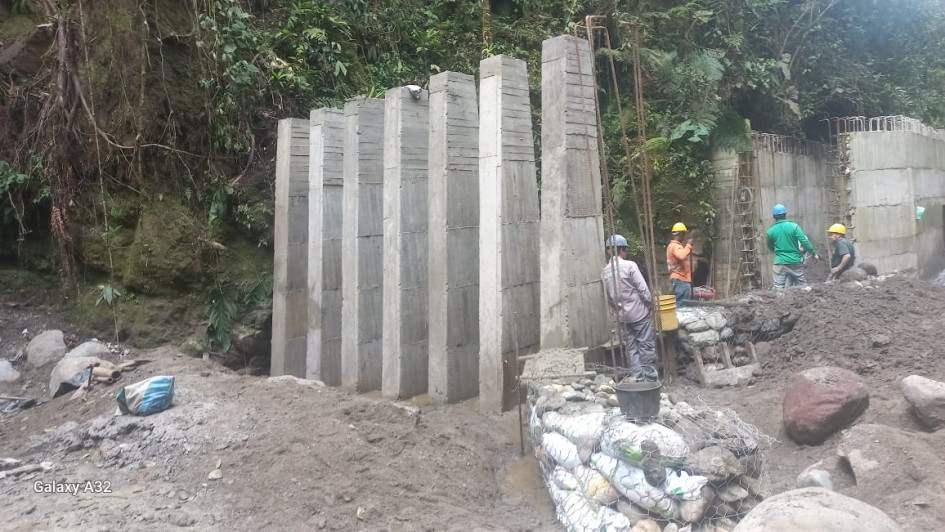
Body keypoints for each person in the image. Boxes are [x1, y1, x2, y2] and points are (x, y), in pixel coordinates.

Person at [601, 234, 657, 381]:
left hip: (623, 317)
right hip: (639, 314)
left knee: (631, 349)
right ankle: (650, 380)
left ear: (608, 251)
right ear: (622, 251)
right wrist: (650, 306)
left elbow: (609, 299)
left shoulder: (605, 272)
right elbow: (643, 290)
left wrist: (618, 311)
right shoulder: (630, 265)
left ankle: (638, 379)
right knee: (646, 346)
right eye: (625, 250)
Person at [766, 203, 819, 290]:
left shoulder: (770, 231)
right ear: (785, 215)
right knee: (803, 287)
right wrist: (813, 253)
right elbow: (805, 242)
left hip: (779, 263)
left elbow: (770, 247)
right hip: (795, 261)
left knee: (778, 288)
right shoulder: (794, 227)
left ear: (774, 216)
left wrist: (780, 253)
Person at [666, 222, 693, 307]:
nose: (684, 237)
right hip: (680, 278)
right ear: (681, 234)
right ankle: (679, 320)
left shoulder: (675, 246)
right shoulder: (674, 246)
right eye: (684, 234)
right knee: (681, 303)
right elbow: (681, 256)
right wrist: (688, 245)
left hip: (682, 278)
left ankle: (680, 319)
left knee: (683, 303)